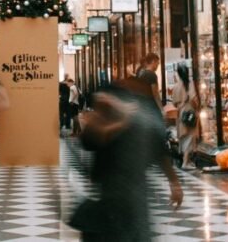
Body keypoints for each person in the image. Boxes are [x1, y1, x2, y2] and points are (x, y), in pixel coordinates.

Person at [71, 81, 183, 241]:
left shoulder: (138, 121)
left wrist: (174, 183)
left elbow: (159, 150)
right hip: (113, 196)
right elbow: (89, 140)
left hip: (130, 196)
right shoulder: (109, 121)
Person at [171, 63, 200, 169]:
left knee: (183, 136)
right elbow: (193, 98)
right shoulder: (189, 83)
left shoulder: (176, 85)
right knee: (190, 135)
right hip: (189, 111)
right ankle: (186, 162)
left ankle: (185, 159)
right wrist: (197, 108)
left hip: (180, 112)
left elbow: (174, 102)